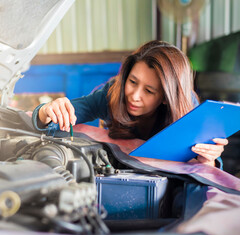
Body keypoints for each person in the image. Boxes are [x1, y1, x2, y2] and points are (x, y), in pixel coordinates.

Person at [32, 40, 228, 167]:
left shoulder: (187, 109)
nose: (134, 95)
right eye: (132, 82)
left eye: (149, 91)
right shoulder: (112, 93)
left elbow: (208, 167)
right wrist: (47, 111)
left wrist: (208, 158)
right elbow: (61, 115)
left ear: (167, 99)